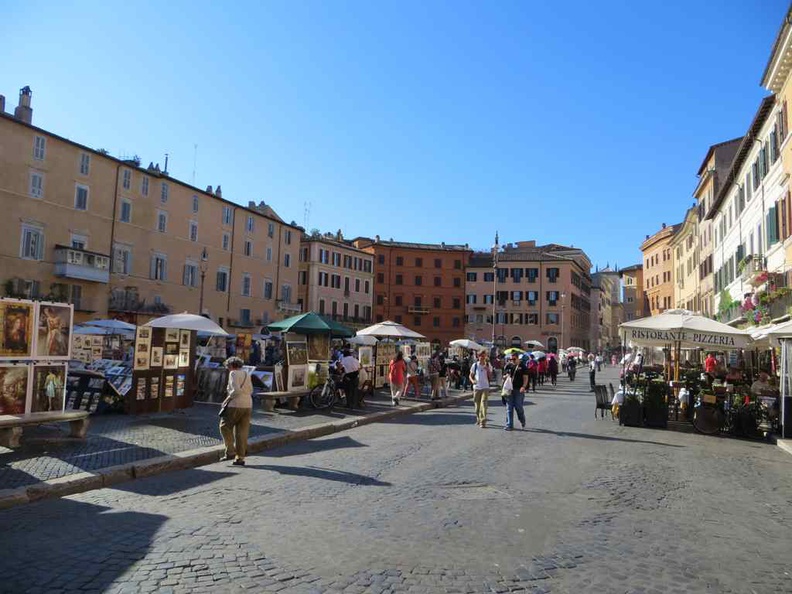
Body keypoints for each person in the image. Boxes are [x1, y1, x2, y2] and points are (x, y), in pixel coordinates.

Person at [219, 356, 253, 466]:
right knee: (242, 432)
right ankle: (240, 458)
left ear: (232, 366)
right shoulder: (246, 374)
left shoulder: (233, 373)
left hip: (235, 404)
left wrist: (227, 399)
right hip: (248, 404)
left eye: (228, 366)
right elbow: (251, 389)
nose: (228, 368)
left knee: (224, 426)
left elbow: (236, 390)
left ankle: (230, 451)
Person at [503, 352, 528, 430]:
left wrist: (523, 386)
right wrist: (505, 376)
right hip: (509, 389)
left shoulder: (523, 367)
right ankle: (509, 425)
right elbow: (504, 375)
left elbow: (525, 378)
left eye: (514, 359)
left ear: (517, 358)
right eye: (511, 359)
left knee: (518, 406)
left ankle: (522, 420)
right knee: (509, 407)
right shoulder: (509, 366)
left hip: (519, 389)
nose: (512, 360)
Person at [470, 351, 492, 427]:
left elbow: (491, 377)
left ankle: (483, 421)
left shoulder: (488, 365)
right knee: (477, 406)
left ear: (485, 356)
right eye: (480, 356)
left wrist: (487, 369)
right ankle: (478, 419)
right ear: (478, 357)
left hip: (485, 387)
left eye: (483, 356)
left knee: (483, 403)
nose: (482, 357)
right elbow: (471, 375)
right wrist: (472, 381)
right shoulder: (475, 365)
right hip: (477, 387)